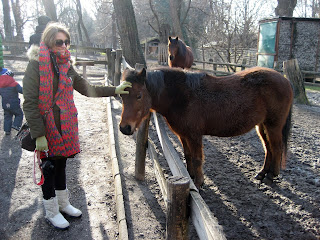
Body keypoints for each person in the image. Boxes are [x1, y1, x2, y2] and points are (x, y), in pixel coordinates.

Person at [23, 22, 132, 230]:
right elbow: (29, 103)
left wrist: (115, 89)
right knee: (48, 167)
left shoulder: (66, 66)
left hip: (66, 125)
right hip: (46, 128)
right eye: (58, 42)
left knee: (62, 164)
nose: (64, 46)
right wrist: (38, 134)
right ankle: (52, 211)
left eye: (66, 42)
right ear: (48, 42)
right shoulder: (36, 65)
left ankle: (63, 204)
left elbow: (86, 88)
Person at [0, 68, 23, 135]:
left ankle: (7, 130)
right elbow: (22, 91)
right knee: (19, 114)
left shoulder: (0, 86)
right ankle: (16, 125)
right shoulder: (15, 84)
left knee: (7, 116)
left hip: (5, 104)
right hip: (14, 104)